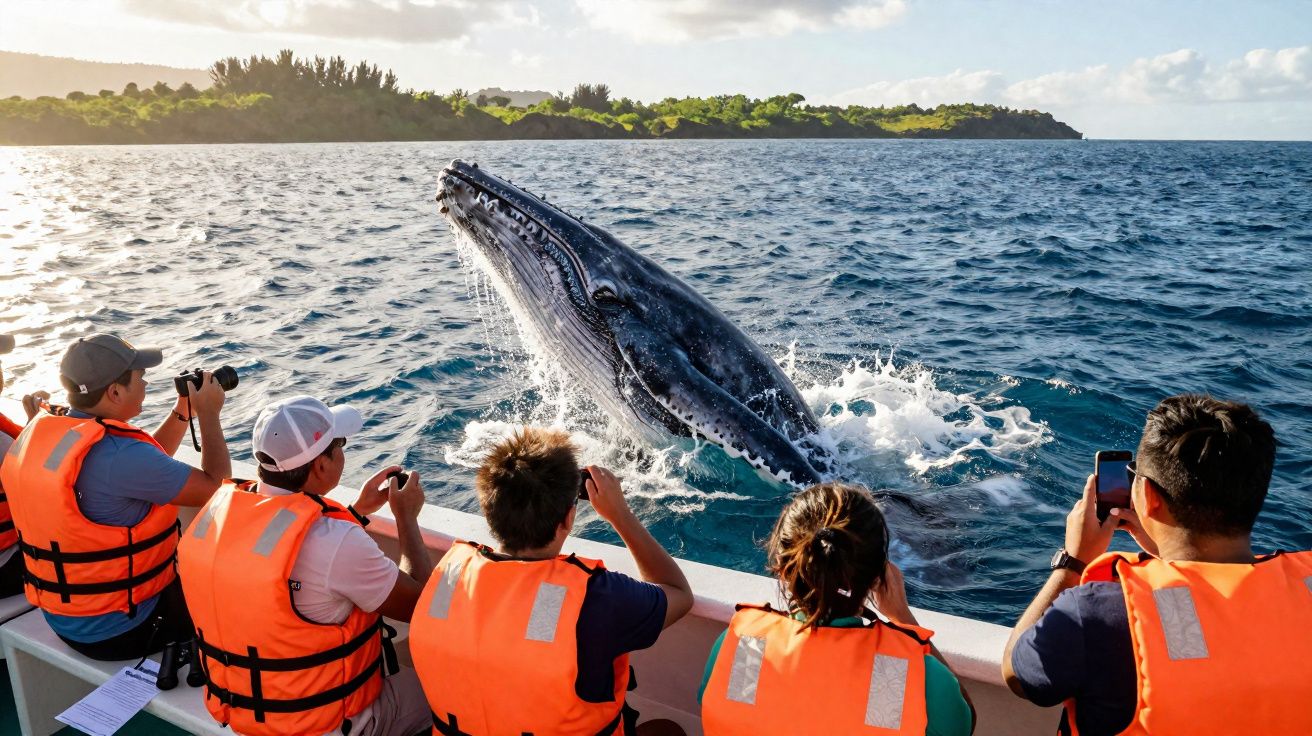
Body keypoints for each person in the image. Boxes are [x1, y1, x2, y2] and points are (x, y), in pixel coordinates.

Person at [1002, 394, 1312, 735]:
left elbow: (1019, 676)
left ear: (1147, 496)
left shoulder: (1098, 614)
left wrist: (1072, 563)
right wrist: (1167, 552)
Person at [409, 427, 695, 735]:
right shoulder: (596, 597)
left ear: (489, 512)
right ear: (568, 519)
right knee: (667, 729)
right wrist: (620, 515)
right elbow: (678, 594)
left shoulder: (448, 575)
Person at [178, 395, 433, 736]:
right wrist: (406, 518)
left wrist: (356, 512)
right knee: (447, 691)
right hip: (334, 724)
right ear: (321, 466)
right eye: (338, 444)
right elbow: (419, 604)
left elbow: (284, 551)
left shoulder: (215, 516)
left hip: (250, 717)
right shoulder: (336, 541)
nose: (343, 451)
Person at [0, 333, 231, 660]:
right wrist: (209, 414)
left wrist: (182, 413)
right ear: (115, 391)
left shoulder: (53, 431)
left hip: (67, 619)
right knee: (238, 585)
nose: (146, 383)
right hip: (129, 629)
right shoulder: (123, 455)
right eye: (141, 377)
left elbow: (142, 467)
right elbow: (215, 488)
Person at [699, 483, 974, 736]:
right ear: (879, 578)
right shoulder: (895, 670)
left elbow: (736, 715)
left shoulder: (746, 645)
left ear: (784, 570)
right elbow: (962, 724)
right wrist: (902, 617)